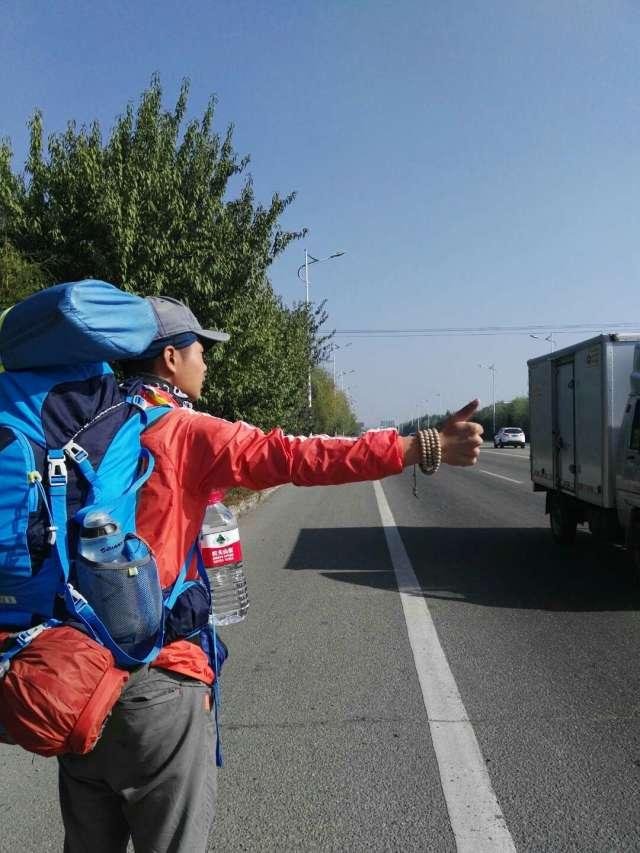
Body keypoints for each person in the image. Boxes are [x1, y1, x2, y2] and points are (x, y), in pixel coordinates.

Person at [57, 295, 484, 853]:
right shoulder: (184, 432)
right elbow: (298, 457)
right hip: (155, 686)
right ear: (167, 359)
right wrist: (421, 444)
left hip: (72, 680)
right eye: (198, 349)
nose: (206, 361)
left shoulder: (81, 429)